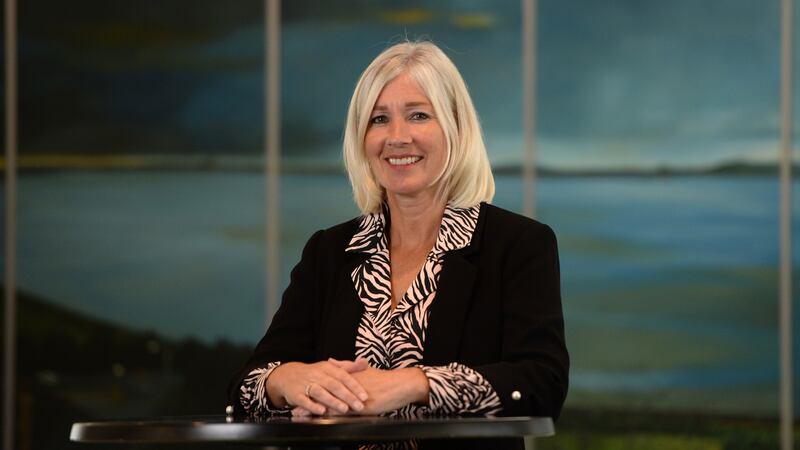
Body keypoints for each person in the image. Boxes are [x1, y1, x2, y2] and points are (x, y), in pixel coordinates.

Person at [228, 40, 569, 449]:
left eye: (418, 115)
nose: (397, 137)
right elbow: (245, 390)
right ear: (361, 138)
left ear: (456, 127)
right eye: (378, 120)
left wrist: (412, 383)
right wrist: (286, 380)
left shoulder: (517, 245)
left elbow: (542, 383)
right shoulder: (329, 252)